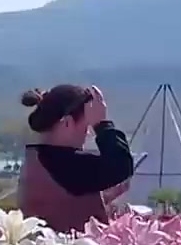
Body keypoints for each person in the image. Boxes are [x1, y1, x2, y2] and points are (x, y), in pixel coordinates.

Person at [17, 84, 134, 230]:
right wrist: (102, 125)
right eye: (86, 125)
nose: (88, 133)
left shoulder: (39, 159)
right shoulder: (63, 163)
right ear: (67, 122)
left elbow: (65, 199)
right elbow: (121, 166)